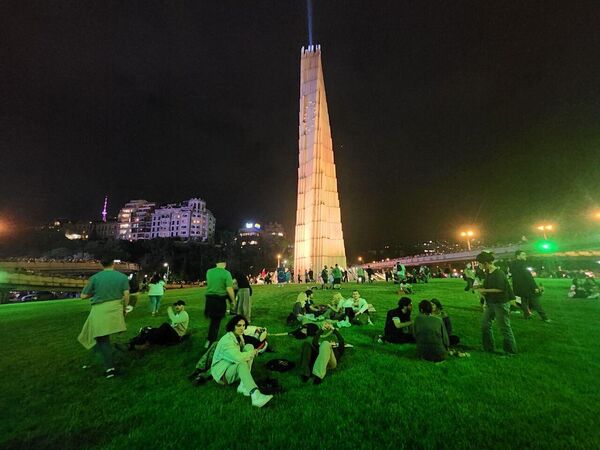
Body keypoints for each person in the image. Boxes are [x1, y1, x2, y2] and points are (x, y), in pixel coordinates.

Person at [77, 257, 130, 378]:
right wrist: (125, 308)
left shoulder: (95, 278)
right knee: (99, 338)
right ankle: (95, 361)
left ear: (101, 264)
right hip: (115, 308)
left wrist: (95, 292)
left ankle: (109, 368)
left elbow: (83, 295)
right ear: (113, 264)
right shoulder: (122, 277)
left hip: (99, 310)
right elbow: (126, 295)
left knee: (100, 339)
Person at [211, 315, 273, 407]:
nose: (242, 328)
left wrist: (250, 347)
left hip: (230, 365)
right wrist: (252, 353)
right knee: (242, 363)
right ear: (233, 326)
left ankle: (243, 385)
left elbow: (243, 350)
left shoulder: (238, 336)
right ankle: (255, 395)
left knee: (249, 347)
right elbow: (238, 358)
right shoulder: (227, 341)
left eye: (243, 325)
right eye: (238, 325)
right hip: (222, 374)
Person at [475, 251, 517, 355]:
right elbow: (490, 286)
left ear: (485, 263)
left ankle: (510, 351)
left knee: (504, 327)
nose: (479, 266)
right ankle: (488, 348)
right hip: (491, 303)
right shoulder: (488, 273)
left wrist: (484, 291)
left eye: (480, 264)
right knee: (485, 325)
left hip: (500, 303)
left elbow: (500, 289)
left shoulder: (498, 273)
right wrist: (480, 286)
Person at [204, 259, 236, 348]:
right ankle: (211, 341)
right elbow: (229, 289)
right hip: (219, 300)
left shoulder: (209, 272)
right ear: (224, 264)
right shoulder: (226, 273)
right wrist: (233, 301)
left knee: (213, 321)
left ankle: (210, 339)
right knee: (215, 322)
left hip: (209, 300)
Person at [510, 251, 550, 322]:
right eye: (523, 254)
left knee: (524, 301)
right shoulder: (523, 264)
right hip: (527, 286)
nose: (525, 256)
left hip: (519, 287)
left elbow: (514, 277)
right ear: (518, 256)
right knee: (535, 302)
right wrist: (535, 287)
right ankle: (544, 317)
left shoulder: (512, 264)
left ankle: (527, 315)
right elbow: (528, 277)